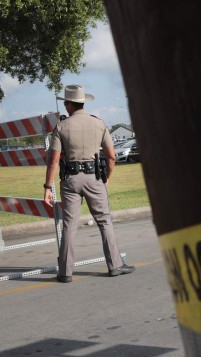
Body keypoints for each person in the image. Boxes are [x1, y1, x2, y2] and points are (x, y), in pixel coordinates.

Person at [44, 84, 134, 283]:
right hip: (94, 178)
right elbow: (111, 157)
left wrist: (47, 187)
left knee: (69, 225)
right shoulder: (99, 123)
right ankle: (115, 266)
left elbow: (54, 161)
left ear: (69, 104)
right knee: (104, 221)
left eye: (65, 103)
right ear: (83, 102)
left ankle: (65, 272)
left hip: (70, 180)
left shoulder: (61, 126)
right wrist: (106, 178)